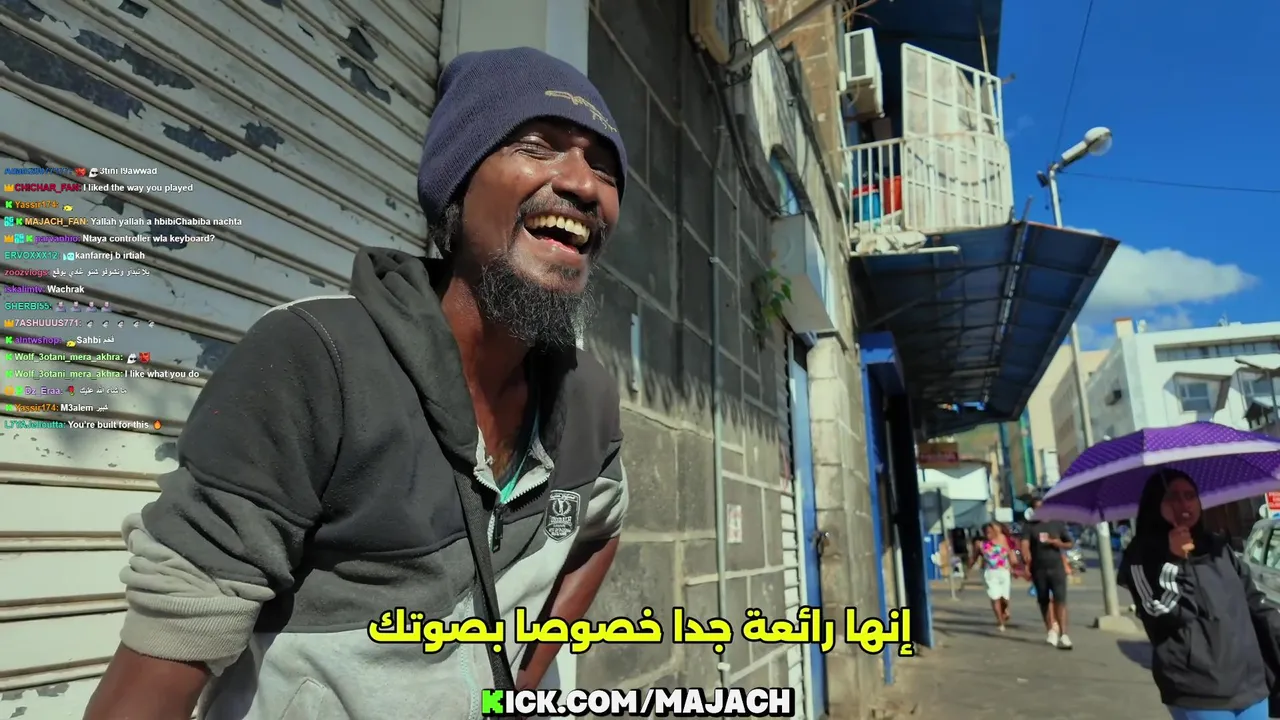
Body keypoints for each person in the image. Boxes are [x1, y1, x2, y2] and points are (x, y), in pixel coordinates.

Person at [84, 47, 631, 720]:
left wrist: (521, 682)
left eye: (604, 169)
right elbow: (161, 662)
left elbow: (600, 530)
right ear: (458, 184)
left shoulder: (586, 397)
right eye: (536, 146)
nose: (582, 184)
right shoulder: (314, 362)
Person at [1122, 470, 1280, 720]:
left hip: (1251, 686)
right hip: (1199, 691)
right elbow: (1160, 612)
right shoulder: (1142, 556)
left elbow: (1254, 603)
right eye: (1172, 497)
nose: (1184, 504)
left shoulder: (1217, 547)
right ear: (1155, 504)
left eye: (1190, 496)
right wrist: (1174, 560)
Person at [1022, 496, 1074, 649]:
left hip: (1056, 568)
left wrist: (1058, 543)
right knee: (1043, 600)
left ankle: (1064, 634)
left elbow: (1070, 543)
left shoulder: (1057, 523)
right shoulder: (1030, 526)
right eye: (1037, 508)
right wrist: (1026, 557)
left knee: (1060, 600)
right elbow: (1024, 544)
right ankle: (1051, 631)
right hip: (1039, 569)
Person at [969, 523, 1014, 631]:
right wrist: (969, 567)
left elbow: (1010, 554)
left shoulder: (1003, 540)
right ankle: (1000, 622)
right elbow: (974, 557)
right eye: (986, 532)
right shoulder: (980, 544)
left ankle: (1004, 610)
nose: (987, 534)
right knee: (994, 598)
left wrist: (1015, 566)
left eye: (990, 531)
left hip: (1004, 572)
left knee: (1004, 599)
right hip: (989, 573)